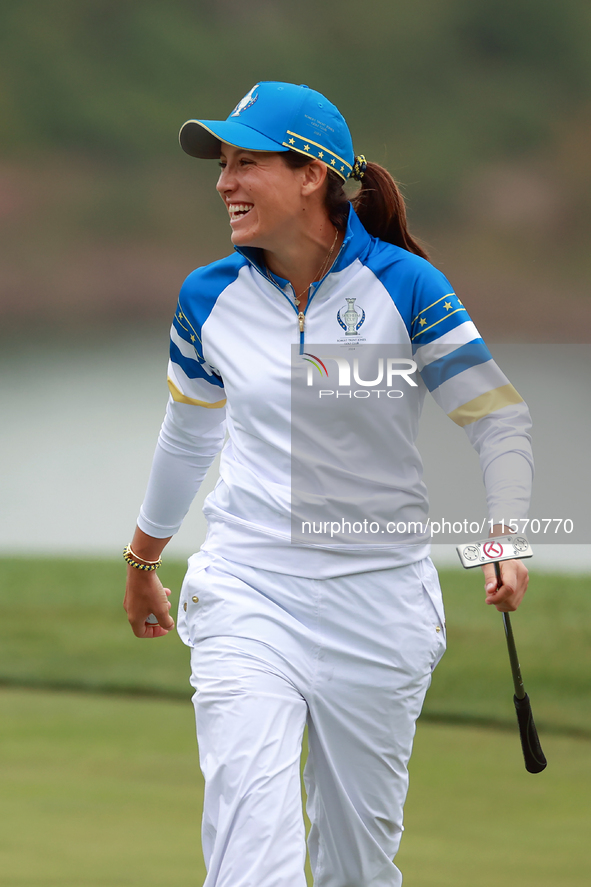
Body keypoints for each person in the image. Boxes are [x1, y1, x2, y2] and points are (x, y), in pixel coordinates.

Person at [124, 82, 532, 887]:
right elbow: (190, 431)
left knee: (357, 864)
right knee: (250, 854)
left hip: (379, 608)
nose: (223, 182)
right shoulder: (208, 297)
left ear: (311, 173)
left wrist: (505, 533)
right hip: (249, 590)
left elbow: (497, 420)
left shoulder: (406, 286)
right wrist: (143, 561)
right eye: (222, 166)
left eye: (245, 162)